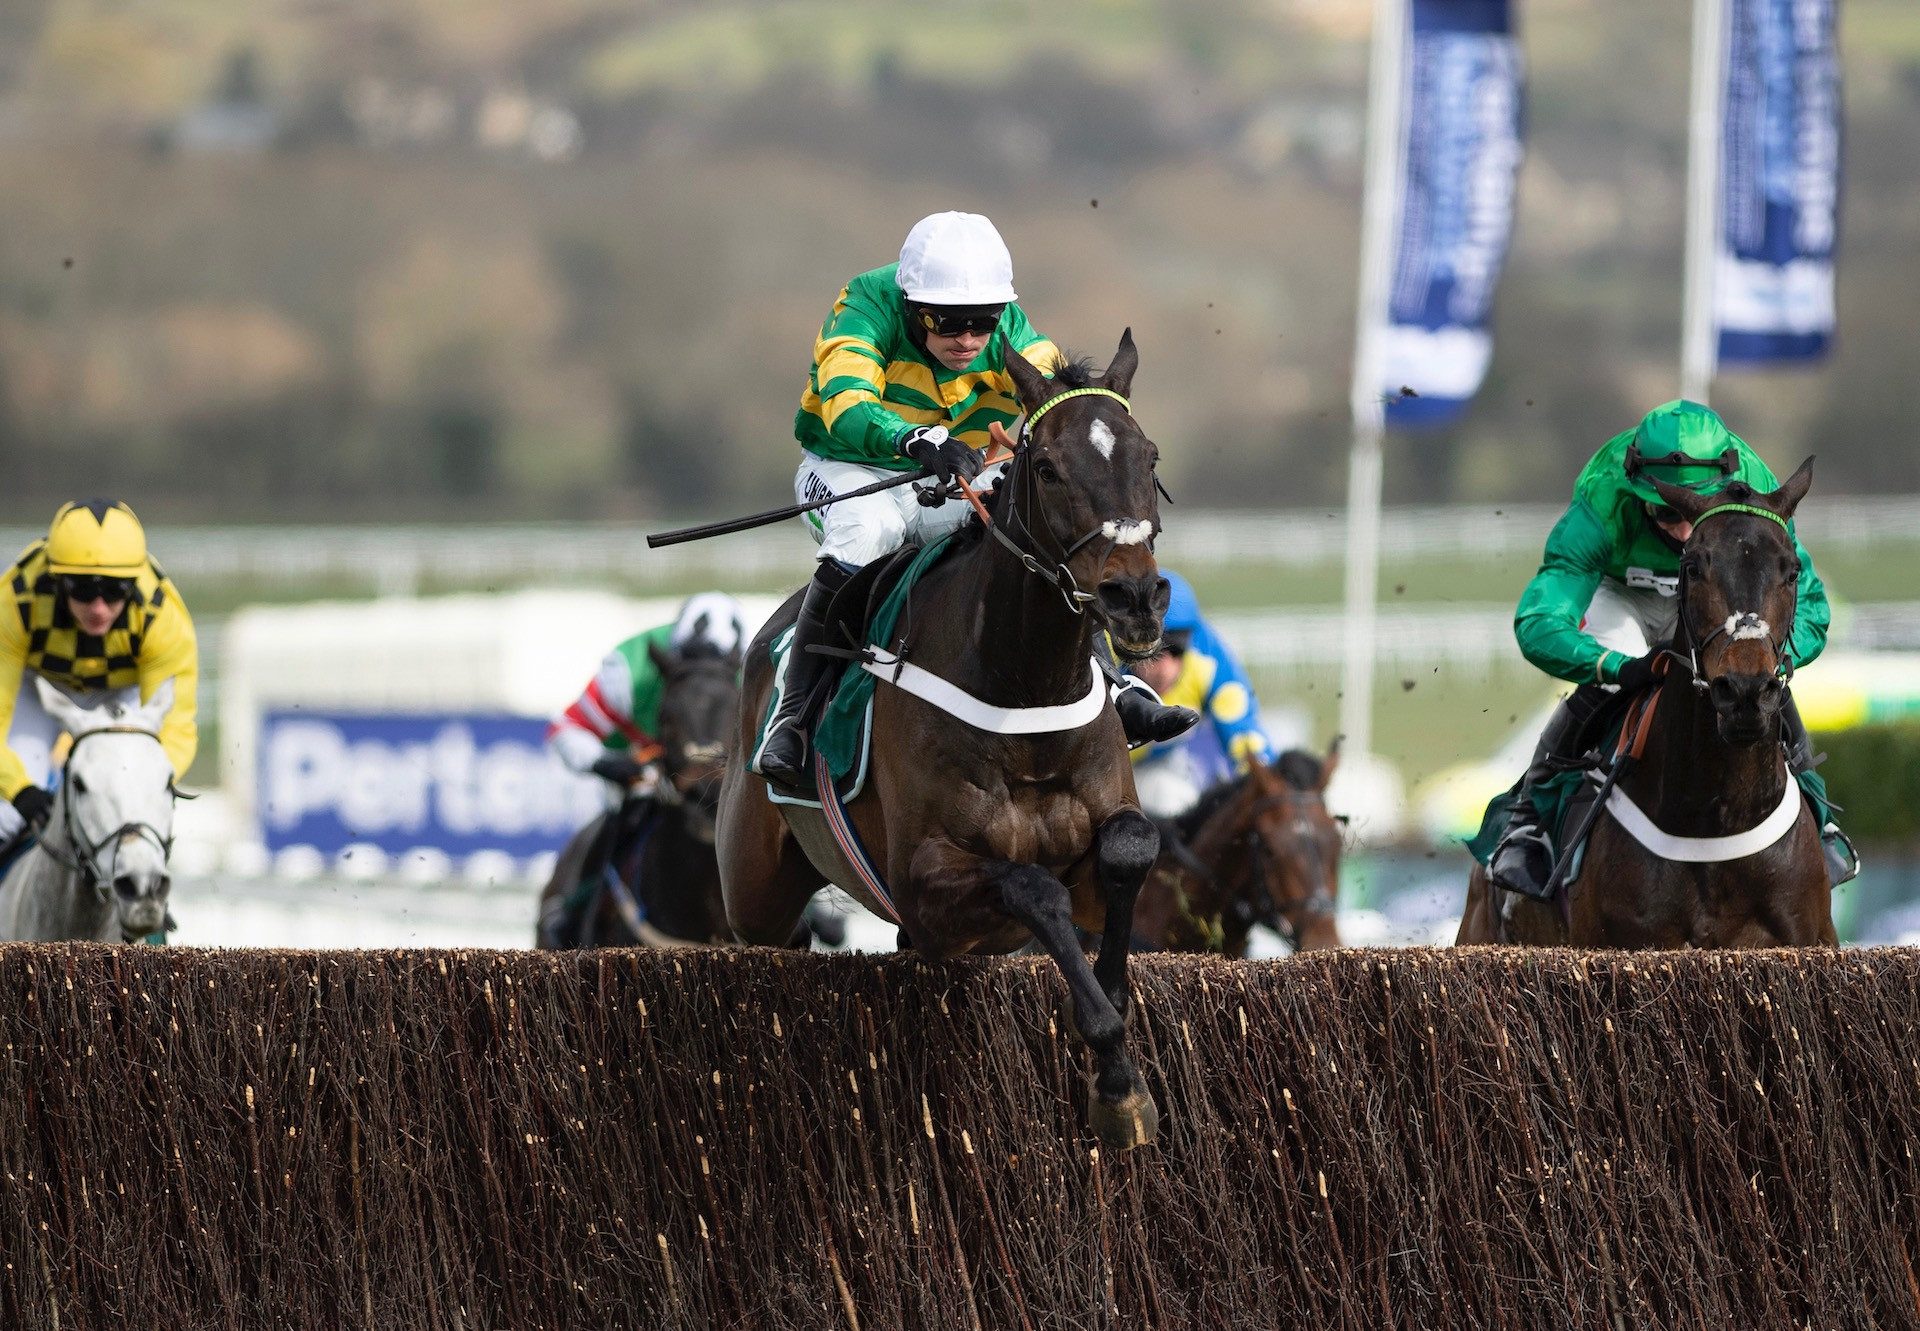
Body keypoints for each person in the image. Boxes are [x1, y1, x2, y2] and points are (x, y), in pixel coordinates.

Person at [758, 210, 1194, 784]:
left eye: (982, 323)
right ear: (913, 305)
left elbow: (1054, 386)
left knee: (1036, 527)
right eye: (947, 323)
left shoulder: (1005, 324)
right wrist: (911, 438)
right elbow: (844, 400)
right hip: (849, 470)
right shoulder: (865, 304)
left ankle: (1114, 684)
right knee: (872, 532)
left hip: (949, 470)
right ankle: (792, 717)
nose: (967, 340)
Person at [1489, 399, 1848, 897]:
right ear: (1639, 487)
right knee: (1607, 686)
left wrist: (1776, 660)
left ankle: (1820, 816)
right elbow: (1539, 620)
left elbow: (1807, 600)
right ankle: (1527, 820)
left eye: (1692, 510)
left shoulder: (1756, 490)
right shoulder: (1603, 499)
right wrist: (1614, 665)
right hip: (1624, 595)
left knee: (1760, 682)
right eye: (1666, 510)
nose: (1681, 530)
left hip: (1714, 589)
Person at [0, 499, 199, 855]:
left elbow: (176, 728)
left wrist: (147, 781)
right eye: (83, 589)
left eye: (115, 591)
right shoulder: (14, 602)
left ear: (133, 583)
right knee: (4, 816)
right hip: (38, 690)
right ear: (57, 580)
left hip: (121, 694)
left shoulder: (161, 616)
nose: (98, 608)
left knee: (129, 810)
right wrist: (20, 791)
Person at [547, 591, 747, 789]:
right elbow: (567, 728)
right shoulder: (628, 669)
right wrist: (604, 763)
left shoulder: (755, 675)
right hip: (631, 777)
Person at [1126, 570, 1275, 819]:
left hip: (1158, 766)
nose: (1165, 668)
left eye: (1176, 651)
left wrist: (1275, 789)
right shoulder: (1101, 656)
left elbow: (1245, 738)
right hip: (1094, 769)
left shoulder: (1208, 659)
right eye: (1152, 652)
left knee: (1183, 797)